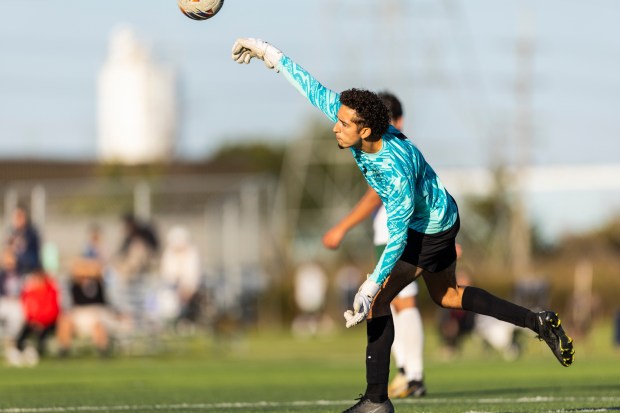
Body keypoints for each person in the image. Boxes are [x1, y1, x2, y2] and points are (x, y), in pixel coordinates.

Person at [231, 38, 575, 413]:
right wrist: (268, 53)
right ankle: (535, 320)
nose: (336, 127)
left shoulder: (394, 170)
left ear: (364, 131)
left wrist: (369, 284)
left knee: (378, 302)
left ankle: (376, 401)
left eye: (344, 123)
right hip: (443, 215)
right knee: (447, 296)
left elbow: (398, 237)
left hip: (429, 228)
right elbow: (311, 87)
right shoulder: (362, 129)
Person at [322, 92, 426, 398]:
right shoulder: (387, 148)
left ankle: (412, 373)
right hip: (389, 231)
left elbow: (374, 197)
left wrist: (341, 227)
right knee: (393, 301)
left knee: (400, 301)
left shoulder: (394, 151)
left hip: (399, 233)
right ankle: (408, 372)